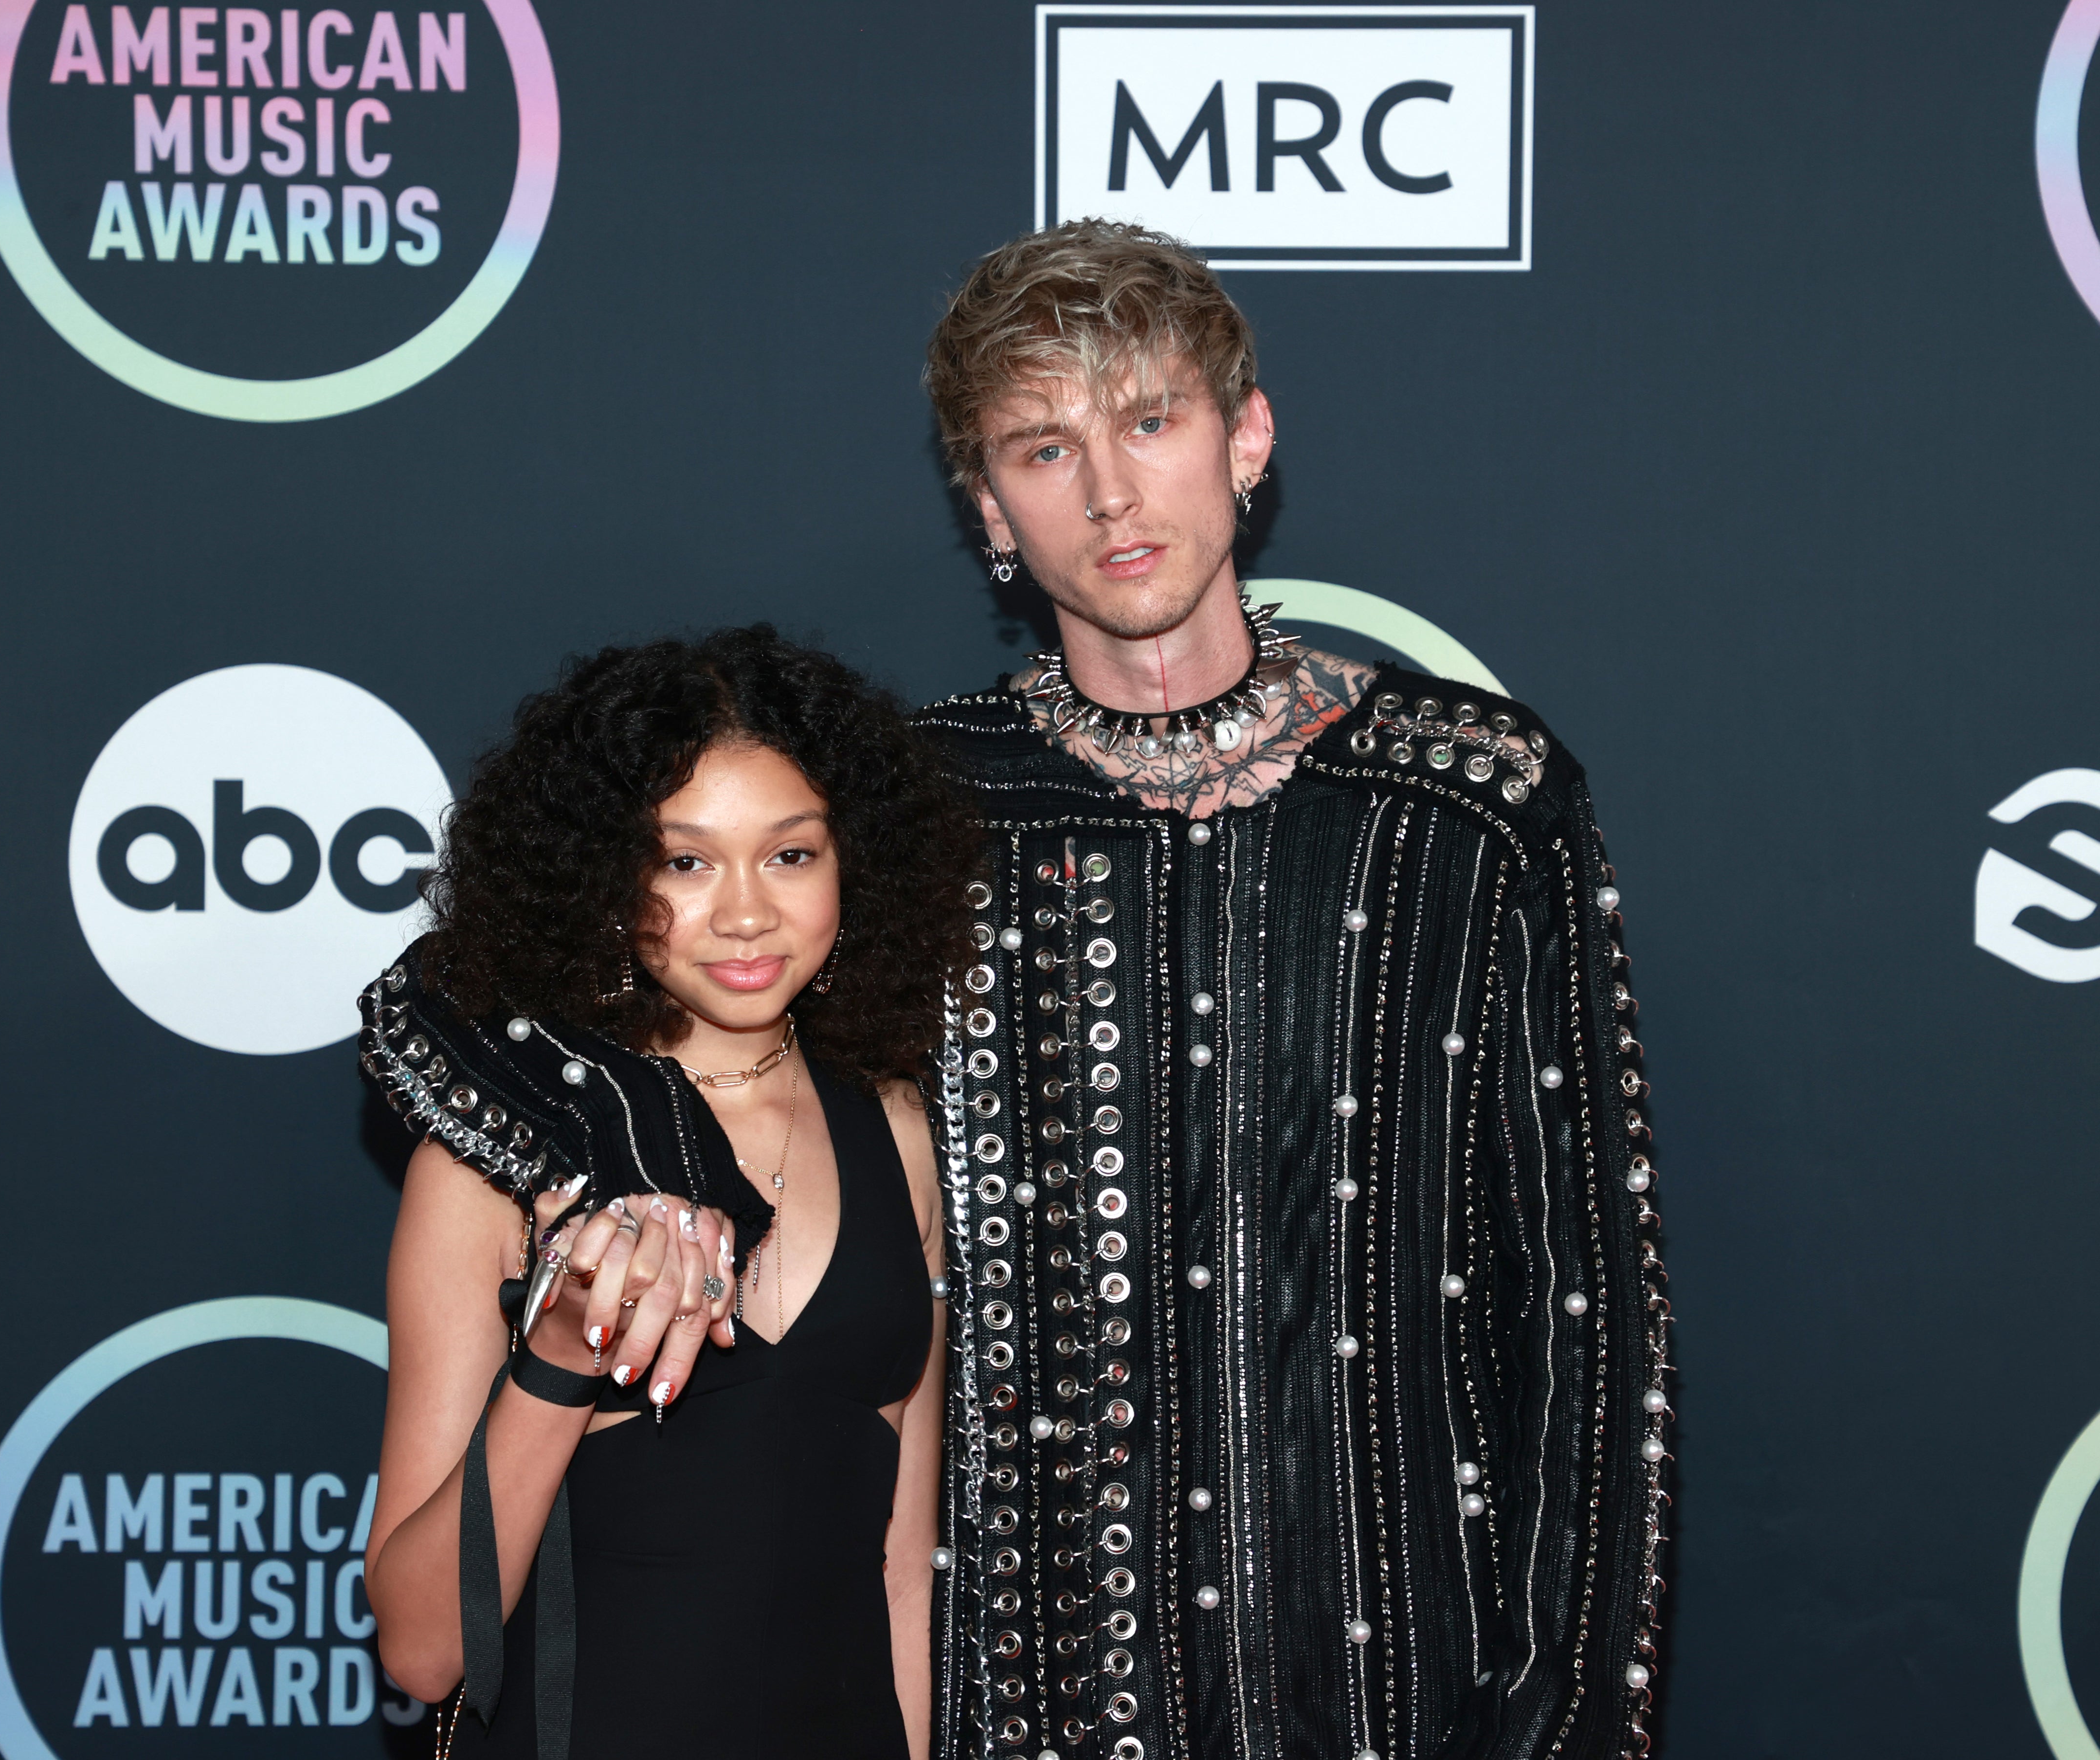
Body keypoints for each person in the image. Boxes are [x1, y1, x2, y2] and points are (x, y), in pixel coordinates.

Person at [912, 221, 1673, 1760]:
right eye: (1046, 449)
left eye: (1149, 420)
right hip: (1023, 1695)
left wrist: (1565, 1721)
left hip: (1409, 1693)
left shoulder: (1470, 794)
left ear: (1245, 438)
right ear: (990, 507)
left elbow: (1585, 1300)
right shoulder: (911, 814)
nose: (1110, 492)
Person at [356, 627, 979, 1759]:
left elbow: (899, 1574)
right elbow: (424, 1649)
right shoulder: (502, 1161)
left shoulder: (894, 1125)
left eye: (791, 855)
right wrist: (560, 1353)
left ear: (855, 865)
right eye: (685, 863)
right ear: (604, 881)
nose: (745, 913)